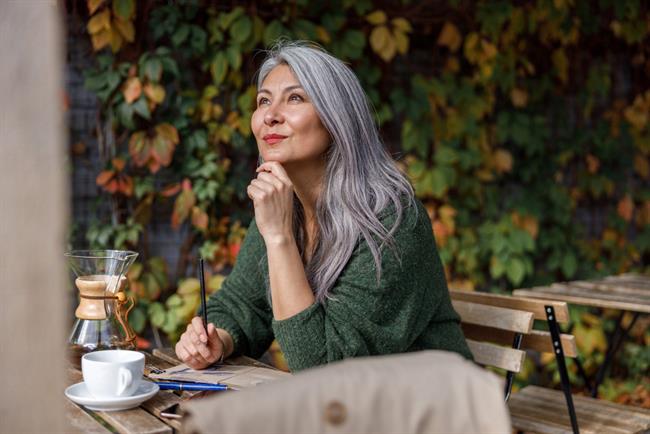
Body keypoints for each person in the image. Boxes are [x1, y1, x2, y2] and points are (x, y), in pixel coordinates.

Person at [175, 41, 472, 372]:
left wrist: (279, 238)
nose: (270, 116)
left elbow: (326, 368)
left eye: (295, 98)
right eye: (263, 101)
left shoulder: (393, 221)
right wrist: (218, 340)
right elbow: (243, 304)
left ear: (337, 118)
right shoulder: (287, 208)